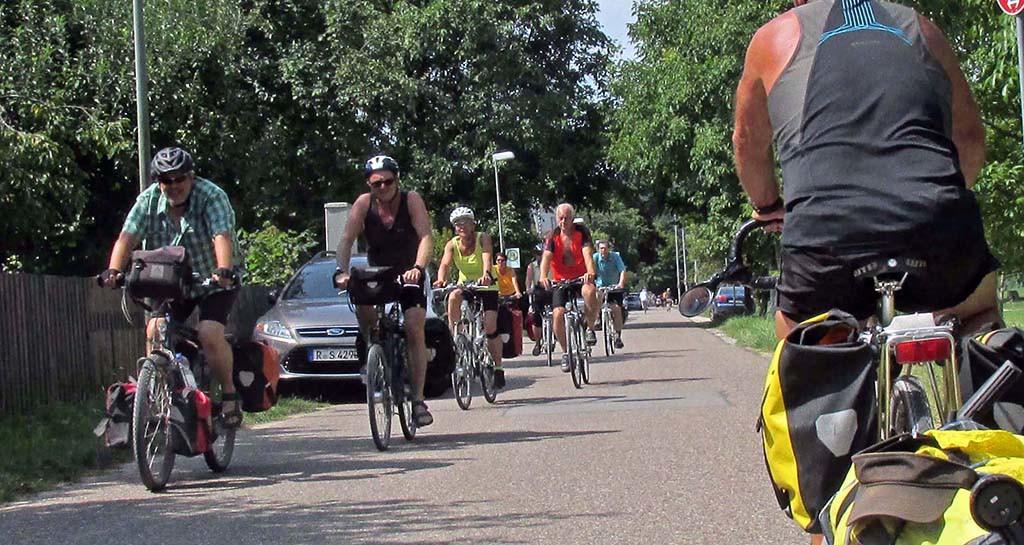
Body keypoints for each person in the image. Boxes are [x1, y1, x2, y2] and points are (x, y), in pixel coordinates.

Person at [734, 1, 999, 542]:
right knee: (980, 319)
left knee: (802, 353)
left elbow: (747, 143)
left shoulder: (774, 37)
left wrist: (767, 209)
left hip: (826, 240)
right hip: (936, 223)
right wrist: (936, 204)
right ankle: (1001, 458)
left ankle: (821, 511)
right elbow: (970, 139)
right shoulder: (923, 29)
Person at [100, 146, 245, 429]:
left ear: (192, 177)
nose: (174, 186)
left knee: (209, 332)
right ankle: (156, 399)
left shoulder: (211, 196)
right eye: (167, 180)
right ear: (158, 182)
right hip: (172, 279)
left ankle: (229, 395)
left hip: (213, 280)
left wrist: (224, 269)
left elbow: (221, 235)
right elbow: (127, 237)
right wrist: (114, 271)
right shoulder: (148, 201)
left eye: (180, 179)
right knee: (155, 330)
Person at [334, 155, 436, 426]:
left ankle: (417, 400)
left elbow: (425, 236)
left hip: (408, 272)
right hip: (378, 273)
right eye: (376, 184)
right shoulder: (363, 204)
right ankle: (373, 350)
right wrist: (341, 271)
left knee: (414, 326)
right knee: (361, 302)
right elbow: (346, 240)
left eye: (388, 182)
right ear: (369, 184)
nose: (382, 188)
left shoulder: (411, 200)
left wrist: (418, 266)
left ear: (397, 180)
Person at [433, 207, 507, 389]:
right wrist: (441, 279)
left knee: (490, 327)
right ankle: (456, 336)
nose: (461, 226)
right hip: (466, 285)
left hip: (486, 285)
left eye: (465, 222)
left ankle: (497, 367)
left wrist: (487, 274)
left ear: (473, 224)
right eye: (458, 224)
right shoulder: (452, 244)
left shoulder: (483, 238)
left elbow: (487, 257)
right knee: (453, 297)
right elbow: (444, 263)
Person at [535, 203, 598, 372]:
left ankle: (590, 327)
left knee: (590, 292)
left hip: (581, 277)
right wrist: (543, 276)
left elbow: (588, 254)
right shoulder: (552, 236)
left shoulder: (581, 232)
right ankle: (565, 352)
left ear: (572, 218)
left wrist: (590, 272)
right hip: (561, 281)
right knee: (557, 314)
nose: (563, 222)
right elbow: (546, 259)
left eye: (566, 218)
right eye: (560, 218)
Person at [594, 240, 627, 349]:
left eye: (605, 248)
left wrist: (621, 284)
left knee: (617, 309)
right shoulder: (595, 258)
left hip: (614, 288)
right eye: (601, 248)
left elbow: (622, 270)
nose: (603, 250)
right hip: (601, 287)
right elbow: (589, 271)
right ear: (598, 250)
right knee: (598, 296)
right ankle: (598, 317)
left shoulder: (615, 257)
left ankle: (618, 336)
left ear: (609, 249)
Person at [525, 242, 550, 356]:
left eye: (542, 253)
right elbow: (528, 280)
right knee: (535, 316)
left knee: (559, 310)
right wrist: (528, 288)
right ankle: (538, 343)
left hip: (551, 288)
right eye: (538, 254)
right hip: (538, 290)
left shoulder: (551, 263)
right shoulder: (532, 266)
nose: (540, 256)